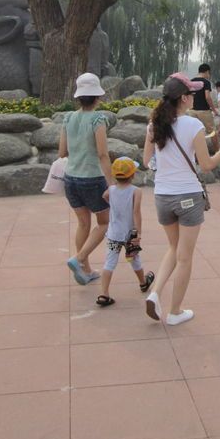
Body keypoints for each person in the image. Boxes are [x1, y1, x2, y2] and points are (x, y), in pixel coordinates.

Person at [143, 73, 220, 326]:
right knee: (185, 257)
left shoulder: (154, 125)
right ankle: (174, 312)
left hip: (162, 196)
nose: (194, 97)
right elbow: (206, 165)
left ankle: (154, 293)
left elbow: (146, 160)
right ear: (183, 98)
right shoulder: (193, 125)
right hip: (187, 196)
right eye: (192, 94)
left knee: (174, 248)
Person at [62, 73, 113, 285]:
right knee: (104, 223)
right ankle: (79, 258)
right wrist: (112, 184)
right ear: (97, 97)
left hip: (70, 178)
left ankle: (86, 270)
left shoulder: (68, 118)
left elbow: (62, 152)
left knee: (83, 224)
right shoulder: (98, 119)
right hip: (92, 179)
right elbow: (102, 154)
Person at [94, 157, 155, 307]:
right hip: (130, 235)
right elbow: (136, 212)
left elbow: (104, 196)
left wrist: (113, 204)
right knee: (134, 259)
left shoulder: (111, 190)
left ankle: (104, 294)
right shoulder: (136, 191)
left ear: (115, 175)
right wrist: (138, 232)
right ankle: (143, 283)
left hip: (113, 235)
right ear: (133, 174)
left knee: (110, 262)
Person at [189, 63, 217, 135]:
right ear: (207, 72)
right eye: (209, 73)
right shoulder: (206, 82)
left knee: (194, 132)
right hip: (204, 110)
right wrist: (214, 109)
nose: (209, 75)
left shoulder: (191, 81)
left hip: (192, 111)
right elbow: (207, 97)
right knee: (212, 132)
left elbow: (189, 95)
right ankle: (216, 143)